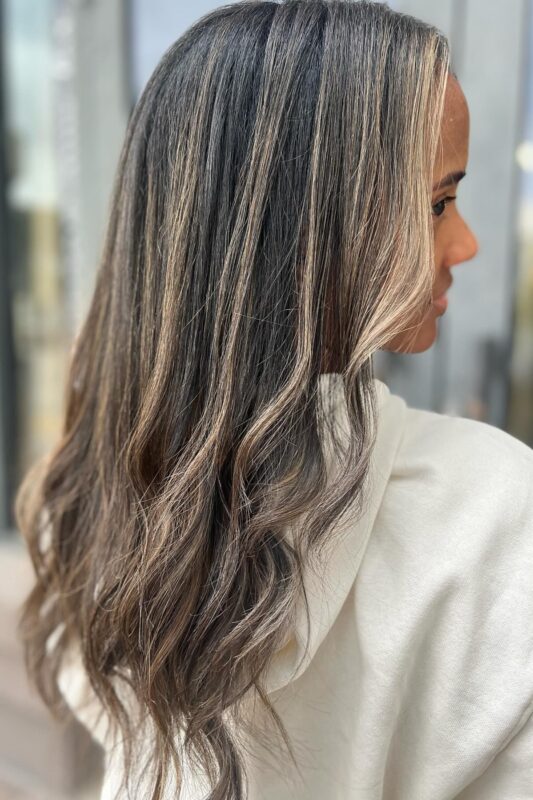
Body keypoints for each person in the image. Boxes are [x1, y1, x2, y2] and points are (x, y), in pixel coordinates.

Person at [14, 1, 533, 798]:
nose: (464, 244)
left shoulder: (95, 492)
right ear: (305, 224)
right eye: (437, 203)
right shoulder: (495, 507)